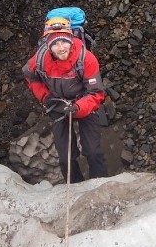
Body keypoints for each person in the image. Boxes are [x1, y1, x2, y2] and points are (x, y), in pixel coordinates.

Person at [22, 21, 107, 183]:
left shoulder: (86, 59)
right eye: (56, 44)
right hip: (58, 104)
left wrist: (77, 108)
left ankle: (101, 186)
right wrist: (46, 97)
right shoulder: (41, 59)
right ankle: (75, 187)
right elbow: (29, 75)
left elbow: (96, 94)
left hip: (83, 103)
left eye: (64, 42)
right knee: (65, 158)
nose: (61, 48)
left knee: (93, 152)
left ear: (71, 39)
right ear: (48, 45)